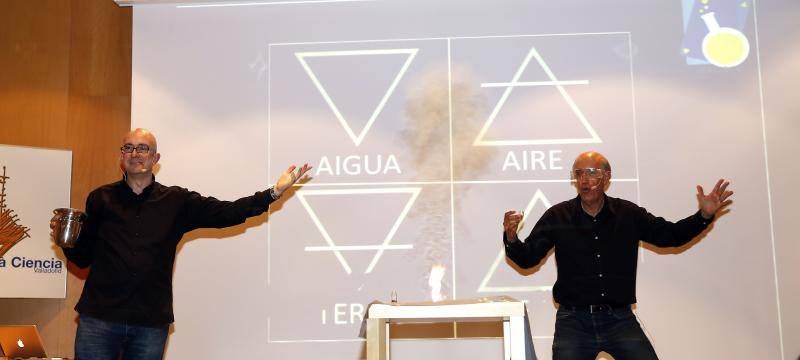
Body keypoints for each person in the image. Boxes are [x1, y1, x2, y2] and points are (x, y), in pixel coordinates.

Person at [54, 128, 311, 360]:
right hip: (99, 318)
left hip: (150, 322)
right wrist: (66, 240)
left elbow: (227, 212)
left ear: (155, 159)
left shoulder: (176, 201)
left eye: (143, 148)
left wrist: (273, 193)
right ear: (121, 156)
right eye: (128, 148)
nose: (135, 153)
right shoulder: (100, 199)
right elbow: (84, 257)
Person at [502, 151, 732, 360]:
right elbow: (527, 258)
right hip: (573, 322)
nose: (584, 180)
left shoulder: (628, 214)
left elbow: (670, 235)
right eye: (578, 174)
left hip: (619, 320)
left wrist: (703, 215)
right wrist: (512, 238)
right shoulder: (557, 216)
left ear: (607, 176)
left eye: (591, 173)